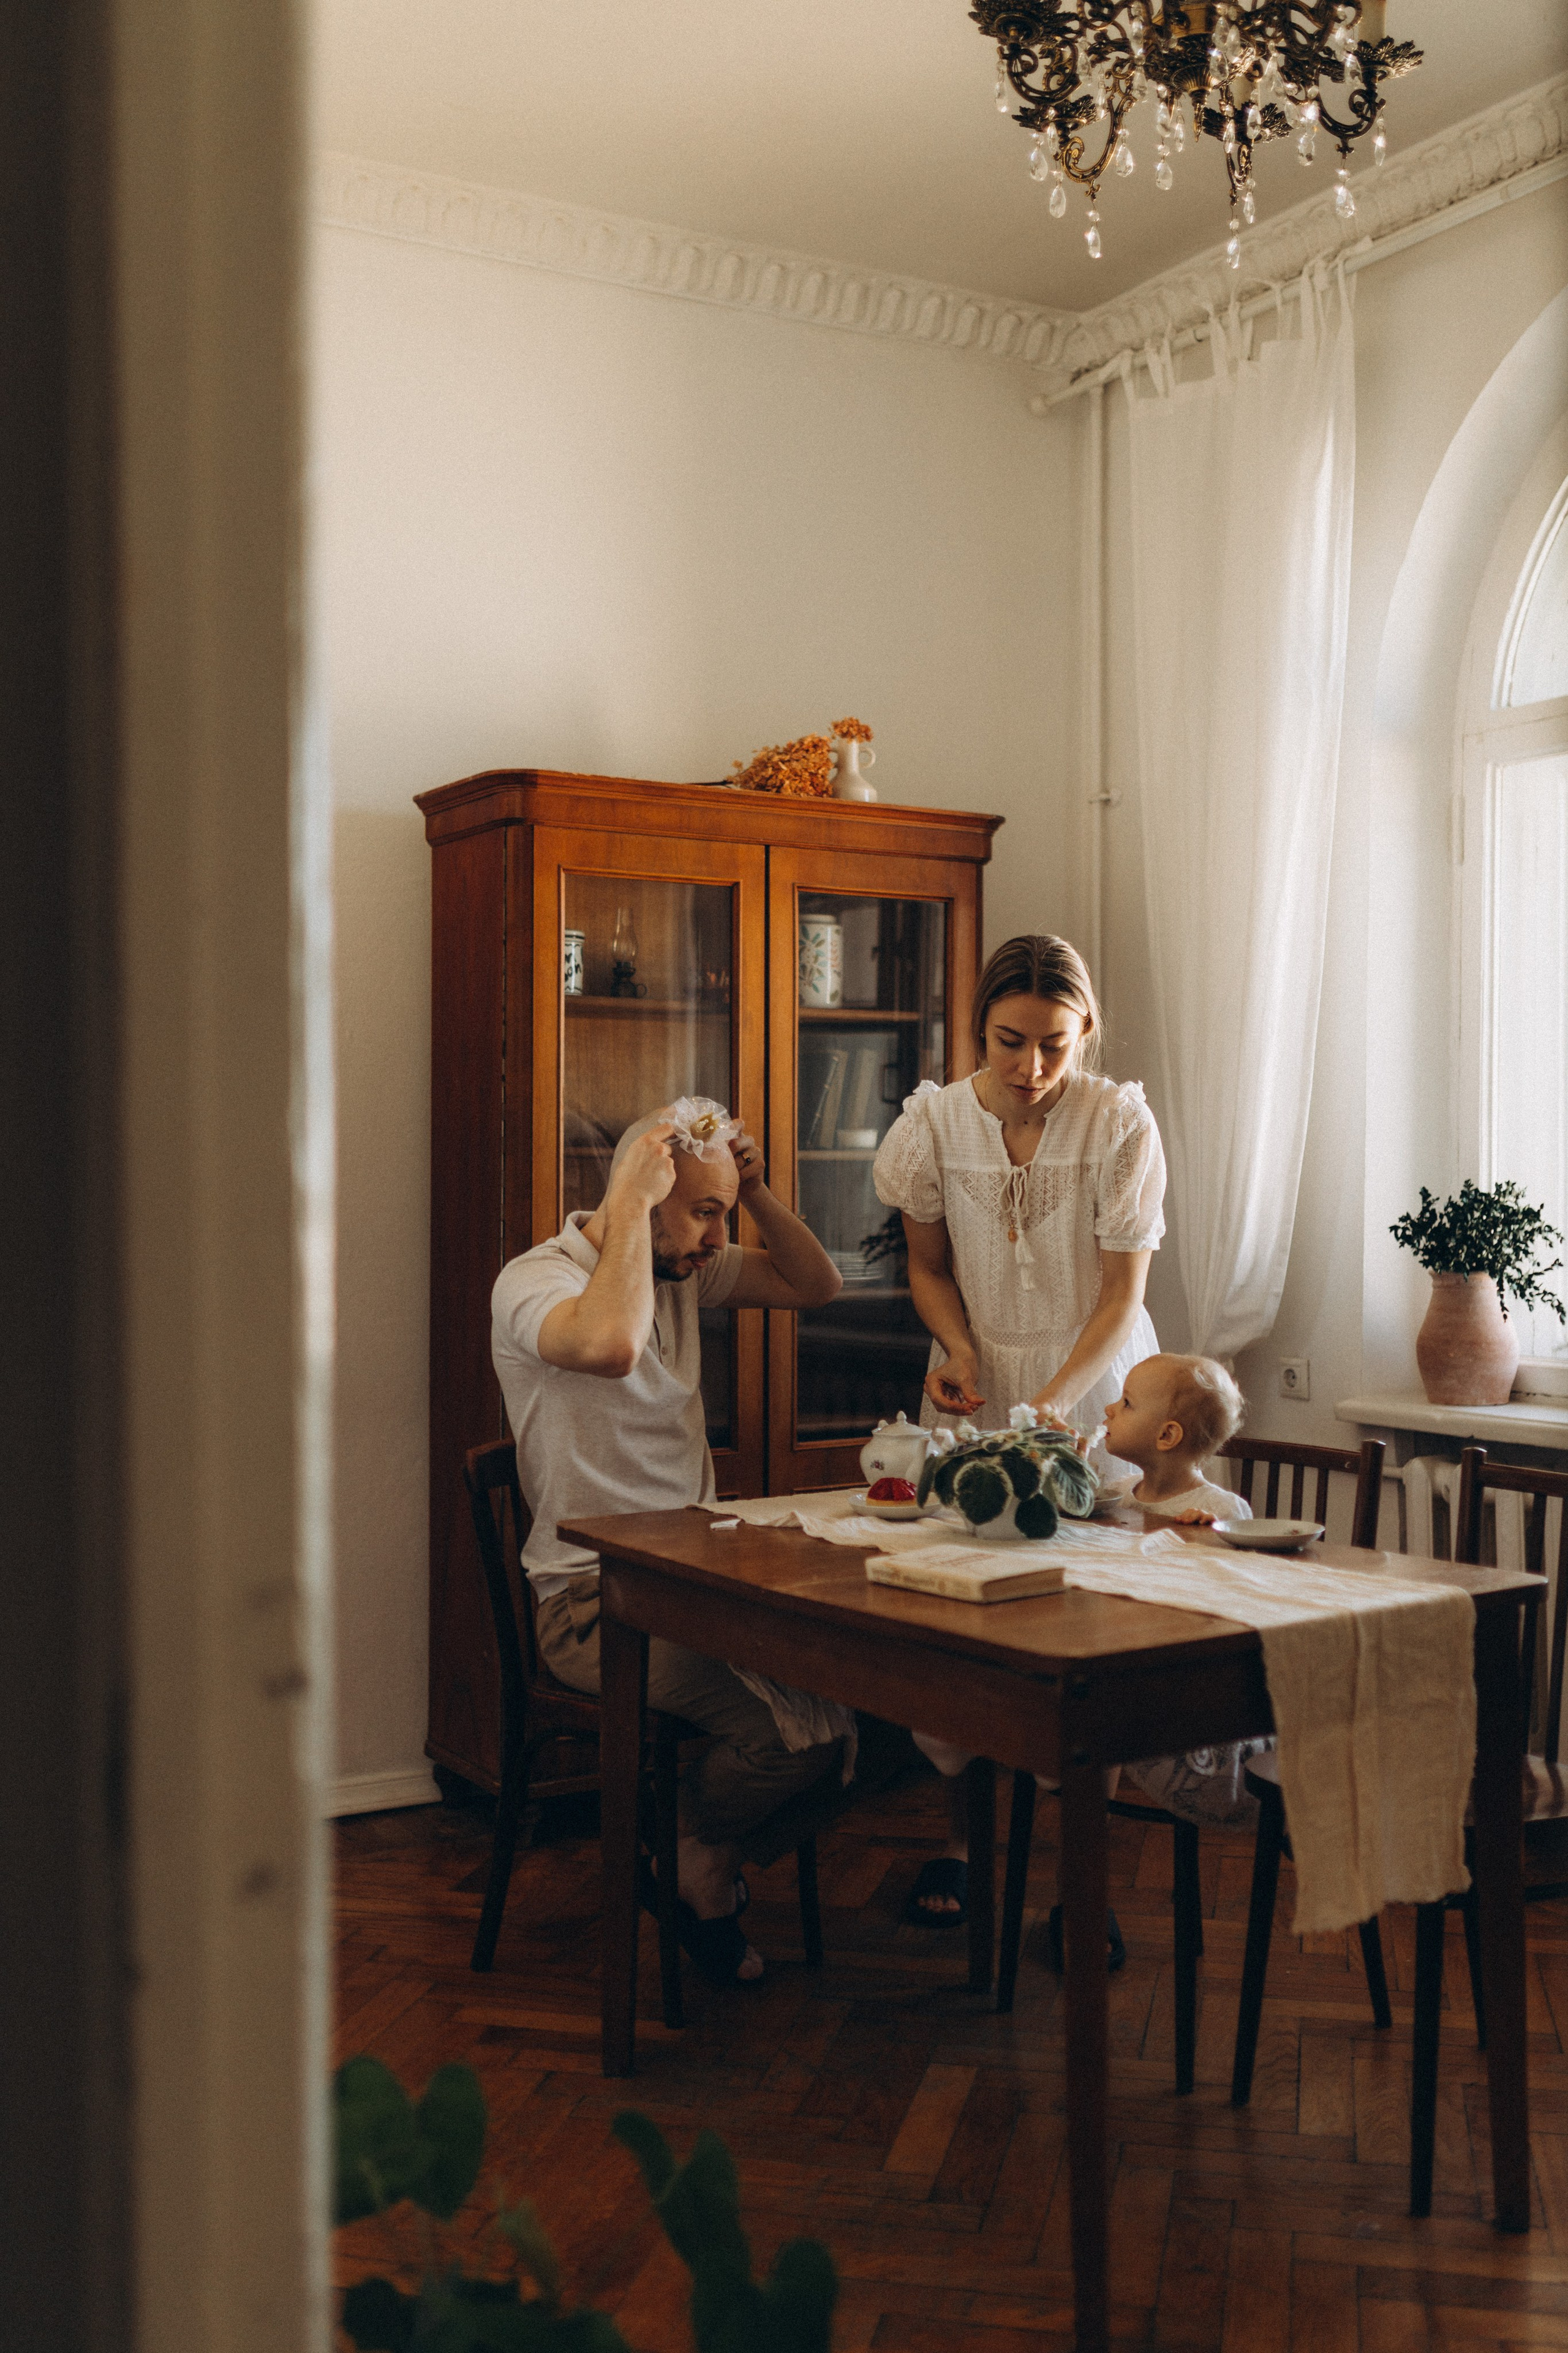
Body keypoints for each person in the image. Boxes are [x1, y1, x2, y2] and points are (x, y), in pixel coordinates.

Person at [491, 1097, 845, 1989]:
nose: (717, 1240)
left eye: (722, 1214)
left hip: (703, 1578)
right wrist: (629, 1201)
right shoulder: (535, 1282)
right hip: (593, 1604)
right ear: (642, 1197)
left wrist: (752, 1193)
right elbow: (610, 1344)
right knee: (796, 1737)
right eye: (703, 1212)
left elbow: (816, 1285)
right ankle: (696, 1857)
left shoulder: (684, 1268)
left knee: (861, 1713)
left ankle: (692, 1847)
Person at [872, 935, 1167, 1928]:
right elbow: (927, 1267)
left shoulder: (1118, 1123)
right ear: (979, 1028)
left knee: (1091, 1640)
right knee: (956, 1630)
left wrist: (1055, 1403)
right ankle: (961, 1845)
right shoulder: (931, 1125)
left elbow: (1122, 1296)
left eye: (1055, 1044)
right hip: (971, 1390)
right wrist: (959, 1349)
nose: (1032, 1066)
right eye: (1010, 1041)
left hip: (1094, 1390)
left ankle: (1084, 1888)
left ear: (1085, 1031)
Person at [1100, 1354, 1252, 1524]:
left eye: (1127, 1403)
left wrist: (1212, 1531)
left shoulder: (1221, 1509)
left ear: (1167, 1436)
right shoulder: (1117, 1493)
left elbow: (1238, 1541)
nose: (1109, 1409)